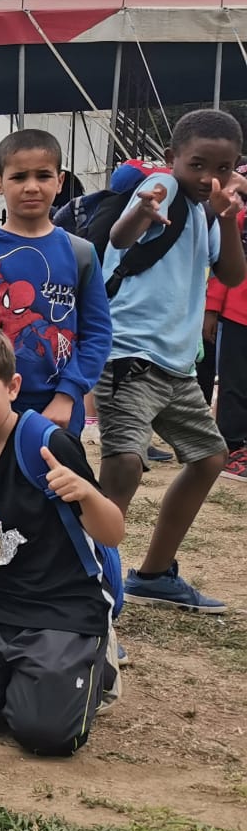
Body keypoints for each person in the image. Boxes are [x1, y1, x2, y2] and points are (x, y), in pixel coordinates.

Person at [0, 324, 126, 756]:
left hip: (64, 605)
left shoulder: (48, 445)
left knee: (46, 734)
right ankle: (27, 676)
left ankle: (90, 663)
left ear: (12, 386)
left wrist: (86, 494)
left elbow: (112, 532)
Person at [94, 108, 246, 614]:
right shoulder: (161, 187)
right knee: (124, 463)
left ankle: (154, 574)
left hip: (176, 366)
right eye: (197, 164)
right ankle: (87, 582)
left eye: (223, 168)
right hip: (129, 356)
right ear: (171, 158)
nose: (208, 177)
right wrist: (144, 209)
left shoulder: (206, 211)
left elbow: (231, 275)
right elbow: (121, 237)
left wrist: (227, 216)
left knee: (209, 458)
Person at [0, 129, 110, 435]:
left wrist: (68, 394)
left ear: (60, 181)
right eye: (19, 177)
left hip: (59, 410)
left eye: (43, 175)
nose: (31, 187)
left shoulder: (81, 254)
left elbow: (97, 333)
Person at [206, 194, 247, 478]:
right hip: (238, 313)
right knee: (235, 382)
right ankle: (231, 449)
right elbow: (223, 266)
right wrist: (211, 309)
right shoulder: (239, 218)